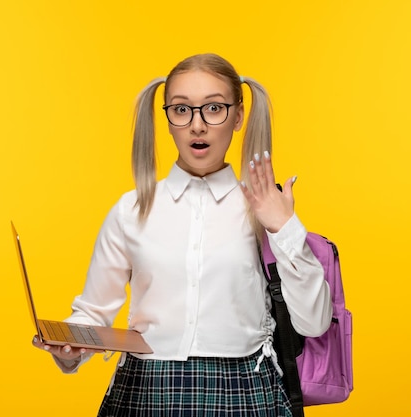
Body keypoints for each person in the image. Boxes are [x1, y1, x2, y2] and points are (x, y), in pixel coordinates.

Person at [32, 53, 333, 417]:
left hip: (244, 392)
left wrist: (284, 227)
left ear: (238, 116)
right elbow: (93, 312)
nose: (198, 125)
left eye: (214, 108)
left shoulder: (264, 209)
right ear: (167, 118)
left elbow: (314, 323)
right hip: (147, 390)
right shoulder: (131, 211)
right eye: (181, 110)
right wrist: (71, 345)